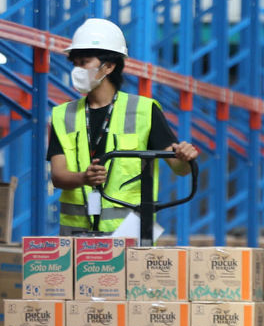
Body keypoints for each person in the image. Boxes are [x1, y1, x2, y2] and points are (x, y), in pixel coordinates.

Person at [47, 18, 198, 236]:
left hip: (129, 238)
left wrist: (185, 158)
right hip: (76, 239)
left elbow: (179, 168)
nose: (77, 70)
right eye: (76, 63)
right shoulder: (63, 115)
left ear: (109, 66)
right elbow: (58, 176)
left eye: (85, 62)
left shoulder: (143, 111)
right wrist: (84, 178)